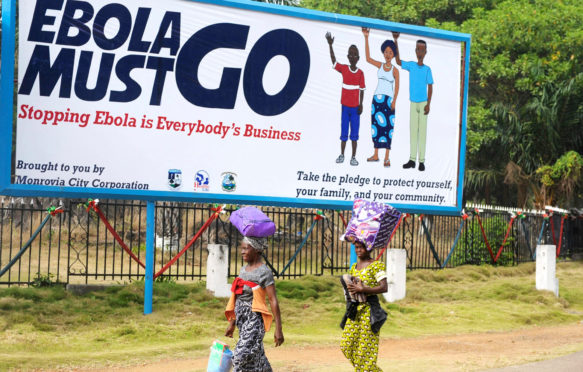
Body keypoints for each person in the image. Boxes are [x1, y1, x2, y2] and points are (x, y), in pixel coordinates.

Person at [225, 236, 284, 372]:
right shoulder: (243, 270)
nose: (242, 252)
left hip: (255, 321)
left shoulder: (264, 272)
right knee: (257, 358)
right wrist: (232, 323)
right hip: (242, 320)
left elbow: (273, 300)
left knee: (239, 357)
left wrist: (278, 329)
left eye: (246, 248)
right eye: (242, 248)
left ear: (257, 249)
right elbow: (238, 297)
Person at [340, 240, 388, 372]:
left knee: (365, 351)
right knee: (346, 345)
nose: (359, 250)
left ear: (369, 248)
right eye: (357, 247)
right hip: (355, 311)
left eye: (362, 247)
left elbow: (384, 287)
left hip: (369, 312)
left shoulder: (376, 266)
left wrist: (364, 289)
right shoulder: (354, 266)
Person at [393, 32, 433, 172]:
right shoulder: (412, 66)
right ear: (415, 51)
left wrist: (428, 103)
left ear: (425, 52)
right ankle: (412, 159)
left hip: (423, 104)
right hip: (413, 103)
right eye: (418, 49)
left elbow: (430, 86)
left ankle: (421, 161)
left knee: (422, 132)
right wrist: (395, 40)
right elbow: (398, 61)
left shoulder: (427, 69)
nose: (420, 52)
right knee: (413, 132)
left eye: (422, 50)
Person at [325, 32, 366, 166]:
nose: (353, 57)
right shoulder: (344, 69)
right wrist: (330, 45)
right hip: (345, 107)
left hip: (355, 108)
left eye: (355, 54)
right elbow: (334, 61)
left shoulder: (360, 73)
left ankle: (353, 157)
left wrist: (361, 104)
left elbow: (362, 89)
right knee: (344, 132)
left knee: (354, 133)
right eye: (350, 54)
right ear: (348, 56)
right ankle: (342, 155)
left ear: (358, 58)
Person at [362, 27, 400, 168]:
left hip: (388, 100)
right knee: (376, 126)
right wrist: (366, 37)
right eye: (386, 52)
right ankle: (376, 154)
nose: (388, 54)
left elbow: (397, 87)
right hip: (377, 98)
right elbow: (368, 58)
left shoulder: (395, 70)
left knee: (388, 127)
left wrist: (394, 101)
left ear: (393, 54)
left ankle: (387, 158)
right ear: (383, 53)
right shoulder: (381, 65)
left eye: (390, 52)